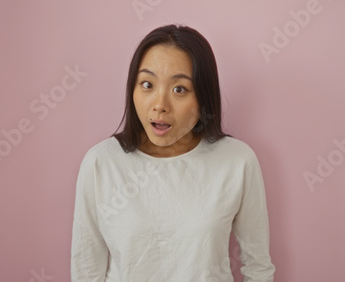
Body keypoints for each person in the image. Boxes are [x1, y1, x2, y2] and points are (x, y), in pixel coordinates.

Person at [71, 24, 275, 281]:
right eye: (147, 84)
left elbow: (258, 267)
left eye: (179, 89)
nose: (159, 105)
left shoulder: (237, 161)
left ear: (204, 97)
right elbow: (86, 270)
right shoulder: (100, 163)